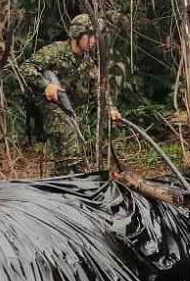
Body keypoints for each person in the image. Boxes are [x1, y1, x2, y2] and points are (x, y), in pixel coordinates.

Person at [11, 13, 119, 175]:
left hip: (70, 111)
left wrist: (110, 108)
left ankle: (58, 184)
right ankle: (80, 178)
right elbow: (26, 68)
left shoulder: (87, 62)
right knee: (72, 146)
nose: (94, 42)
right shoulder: (56, 51)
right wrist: (47, 85)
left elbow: (99, 88)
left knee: (64, 159)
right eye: (90, 37)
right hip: (49, 106)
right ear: (77, 34)